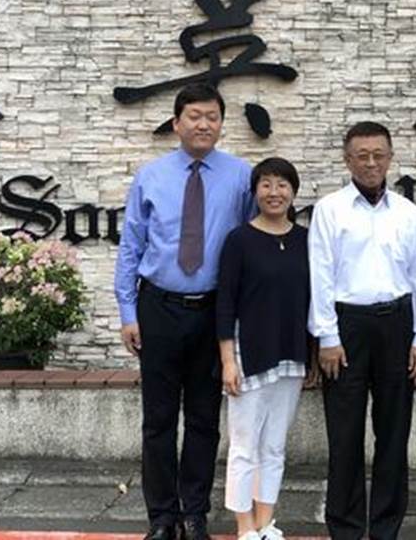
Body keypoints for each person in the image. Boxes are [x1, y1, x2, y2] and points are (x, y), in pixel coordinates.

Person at [114, 83, 253, 540]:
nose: (203, 124)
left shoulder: (241, 177)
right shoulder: (150, 176)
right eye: (194, 116)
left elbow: (250, 244)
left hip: (213, 312)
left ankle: (194, 514)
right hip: (159, 307)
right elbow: (131, 246)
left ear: (221, 124)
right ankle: (161, 517)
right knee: (157, 420)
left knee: (203, 418)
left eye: (212, 117)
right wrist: (128, 311)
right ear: (176, 123)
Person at [307, 121, 416, 540]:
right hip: (346, 328)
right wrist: (327, 336)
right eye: (362, 155)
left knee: (394, 432)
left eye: (379, 154)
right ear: (348, 160)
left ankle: (385, 527)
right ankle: (345, 528)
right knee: (344, 434)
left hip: (397, 325)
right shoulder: (330, 209)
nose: (371, 162)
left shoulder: (406, 211)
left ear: (390, 157)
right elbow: (320, 274)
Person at [216, 157, 311, 540]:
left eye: (282, 184)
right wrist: (227, 360)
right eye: (266, 184)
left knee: (274, 446)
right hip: (249, 355)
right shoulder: (239, 240)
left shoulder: (306, 239)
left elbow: (315, 299)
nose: (275, 192)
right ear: (255, 192)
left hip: (292, 355)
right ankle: (244, 527)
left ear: (293, 191)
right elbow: (225, 303)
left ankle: (264, 522)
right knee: (244, 447)